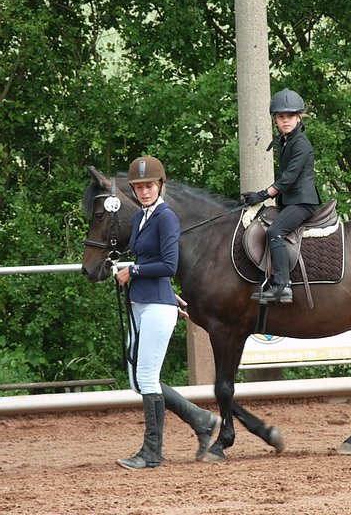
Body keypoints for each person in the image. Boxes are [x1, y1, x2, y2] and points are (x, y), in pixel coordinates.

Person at [115, 155, 219, 469]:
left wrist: (133, 270)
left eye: (149, 185)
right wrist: (154, 282)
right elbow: (152, 263)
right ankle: (200, 420)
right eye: (139, 187)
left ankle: (152, 452)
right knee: (138, 380)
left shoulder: (166, 218)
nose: (144, 191)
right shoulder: (139, 218)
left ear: (160, 185)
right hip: (142, 302)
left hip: (156, 308)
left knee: (147, 378)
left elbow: (169, 265)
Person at [243, 88, 321, 304]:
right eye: (281, 117)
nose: (285, 120)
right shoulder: (286, 141)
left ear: (298, 117)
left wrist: (261, 195)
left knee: (275, 231)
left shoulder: (301, 143)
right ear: (275, 120)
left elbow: (288, 179)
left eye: (290, 116)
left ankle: (282, 286)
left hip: (303, 202)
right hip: (290, 201)